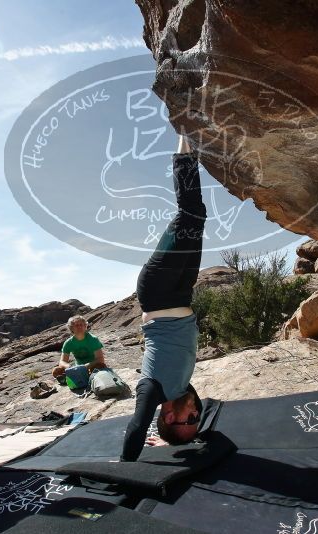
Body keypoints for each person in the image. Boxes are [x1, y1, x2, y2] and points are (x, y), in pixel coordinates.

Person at [120, 134, 205, 461]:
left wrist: (125, 469)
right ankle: (189, 147)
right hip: (181, 293)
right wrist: (172, 441)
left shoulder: (152, 389)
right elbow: (196, 410)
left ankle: (184, 134)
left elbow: (137, 426)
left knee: (188, 216)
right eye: (197, 419)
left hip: (157, 291)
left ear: (169, 417)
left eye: (191, 419)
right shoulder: (185, 392)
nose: (197, 412)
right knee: (197, 216)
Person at [52, 315, 107, 382]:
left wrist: (87, 366)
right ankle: (79, 376)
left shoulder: (93, 339)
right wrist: (69, 367)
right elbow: (62, 362)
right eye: (76, 325)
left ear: (85, 326)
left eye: (81, 324)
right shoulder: (68, 343)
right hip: (77, 368)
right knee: (56, 371)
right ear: (71, 328)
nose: (79, 327)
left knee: (100, 365)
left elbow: (100, 359)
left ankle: (72, 378)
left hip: (92, 366)